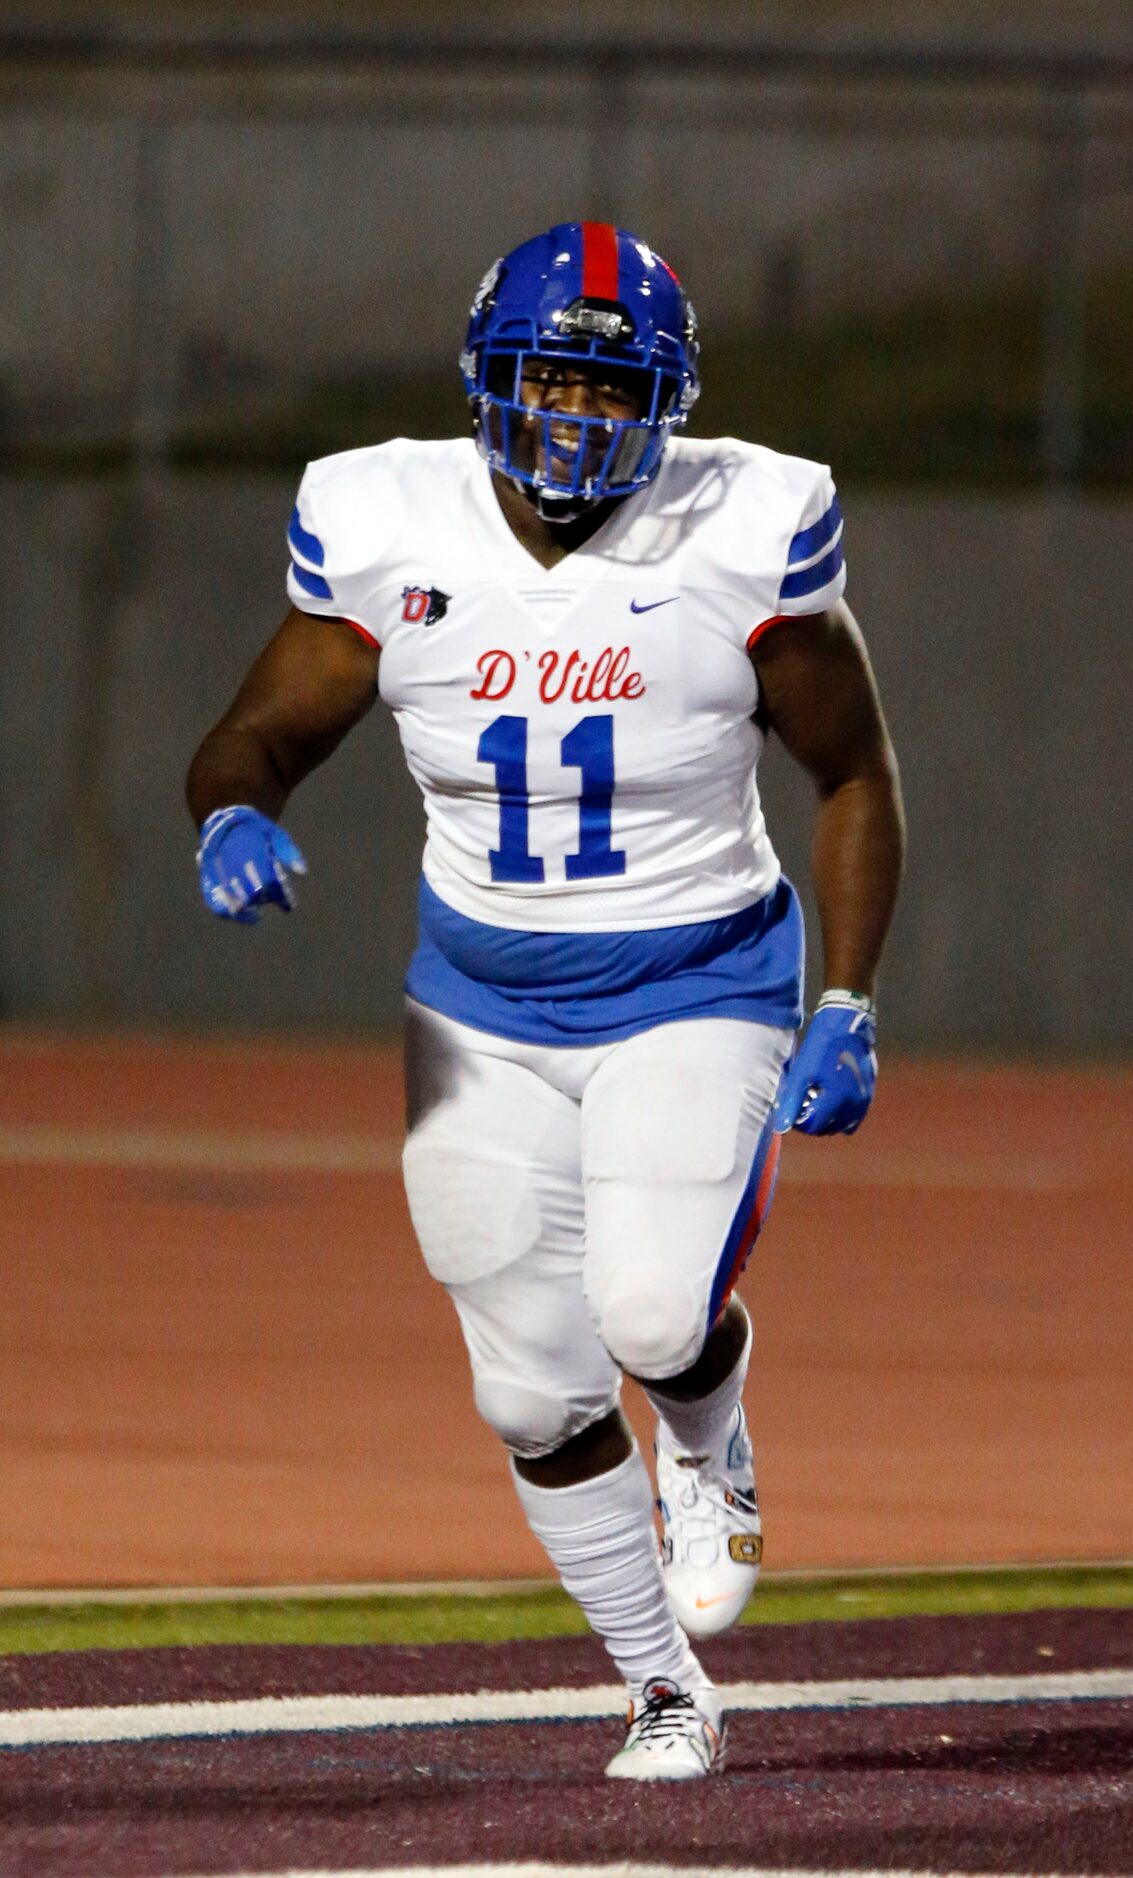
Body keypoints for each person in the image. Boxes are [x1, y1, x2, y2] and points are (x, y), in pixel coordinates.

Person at [186, 221, 904, 1780]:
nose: (575, 418)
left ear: (667, 400)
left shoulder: (740, 524)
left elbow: (849, 768)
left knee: (653, 1309)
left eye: (608, 385)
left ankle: (710, 1434)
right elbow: (253, 734)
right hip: (476, 999)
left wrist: (843, 993)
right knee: (523, 1382)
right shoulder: (388, 521)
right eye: (548, 379)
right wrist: (232, 809)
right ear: (483, 381)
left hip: (691, 975)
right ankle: (662, 1685)